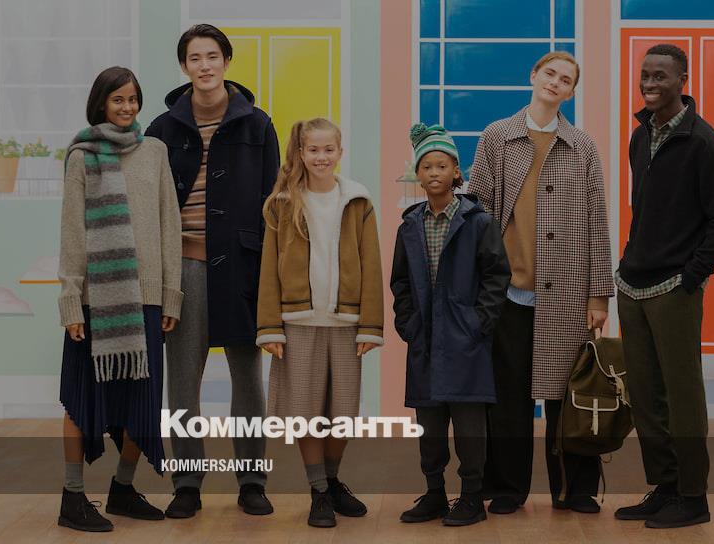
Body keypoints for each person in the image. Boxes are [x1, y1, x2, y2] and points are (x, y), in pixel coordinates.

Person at [467, 51, 614, 514]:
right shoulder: (497, 136)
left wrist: (598, 295)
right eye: (549, 73)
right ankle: (507, 489)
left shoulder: (583, 146)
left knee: (569, 398)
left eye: (565, 79)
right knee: (507, 398)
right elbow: (477, 208)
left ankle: (575, 490)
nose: (555, 82)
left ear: (571, 92)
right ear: (533, 76)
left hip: (568, 293)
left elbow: (597, 222)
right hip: (507, 291)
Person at [145, 24, 279, 518]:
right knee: (183, 381)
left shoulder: (257, 124)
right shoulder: (161, 129)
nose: (204, 65)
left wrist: (267, 275)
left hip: (242, 266)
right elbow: (148, 205)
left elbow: (273, 204)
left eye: (212, 56)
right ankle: (187, 484)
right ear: (184, 66)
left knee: (249, 378)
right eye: (195, 58)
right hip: (181, 267)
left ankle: (252, 481)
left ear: (226, 61)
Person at [614, 43, 714, 529]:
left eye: (660, 76)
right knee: (646, 395)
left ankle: (693, 497)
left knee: (682, 395)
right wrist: (628, 262)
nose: (649, 83)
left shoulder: (704, 143)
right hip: (633, 284)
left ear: (682, 81)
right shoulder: (639, 136)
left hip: (674, 288)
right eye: (645, 74)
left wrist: (692, 275)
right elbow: (645, 210)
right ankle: (664, 488)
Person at [57, 66, 182, 532]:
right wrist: (71, 300)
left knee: (141, 404)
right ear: (101, 104)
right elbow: (73, 230)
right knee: (80, 401)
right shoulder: (82, 155)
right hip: (97, 303)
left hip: (146, 298)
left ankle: (123, 489)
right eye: (118, 100)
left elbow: (169, 223)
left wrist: (170, 296)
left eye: (132, 99)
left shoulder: (155, 151)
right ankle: (72, 498)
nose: (127, 107)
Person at [256, 118, 384, 528]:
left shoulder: (358, 201)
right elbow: (268, 268)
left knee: (342, 413)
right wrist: (269, 326)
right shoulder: (282, 203)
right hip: (298, 324)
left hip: (346, 324)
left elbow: (371, 264)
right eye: (313, 150)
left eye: (329, 150)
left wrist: (371, 325)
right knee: (306, 411)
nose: (321, 157)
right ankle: (318, 490)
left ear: (340, 152)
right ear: (301, 153)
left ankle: (331, 481)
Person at [392, 123, 510, 527]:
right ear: (417, 174)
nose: (434, 173)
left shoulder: (477, 222)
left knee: (469, 426)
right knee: (429, 427)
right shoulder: (410, 225)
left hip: (466, 342)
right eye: (426, 166)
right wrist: (409, 323)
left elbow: (496, 275)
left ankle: (472, 497)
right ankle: (435, 494)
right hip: (425, 340)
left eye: (442, 165)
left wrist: (478, 323)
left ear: (456, 172)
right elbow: (400, 282)